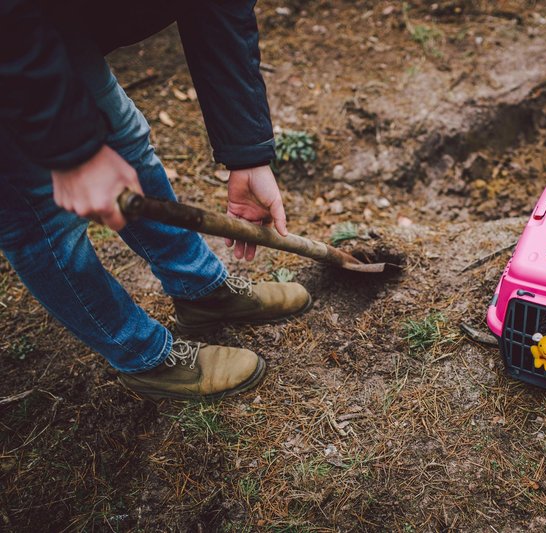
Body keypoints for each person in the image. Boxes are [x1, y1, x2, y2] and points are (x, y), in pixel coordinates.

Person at [0, 0, 312, 400]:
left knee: (124, 139)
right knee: (39, 215)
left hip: (41, 21)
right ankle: (143, 357)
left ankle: (201, 291)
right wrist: (74, 151)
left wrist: (247, 155)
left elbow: (220, 9)